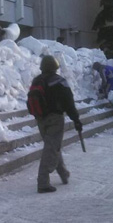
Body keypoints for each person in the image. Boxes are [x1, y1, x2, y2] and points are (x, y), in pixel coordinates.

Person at [32, 55, 83, 193]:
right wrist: (76, 120)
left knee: (52, 146)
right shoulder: (59, 82)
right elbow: (69, 103)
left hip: (40, 119)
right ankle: (42, 182)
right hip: (55, 118)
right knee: (51, 148)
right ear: (55, 67)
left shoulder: (37, 80)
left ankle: (63, 173)